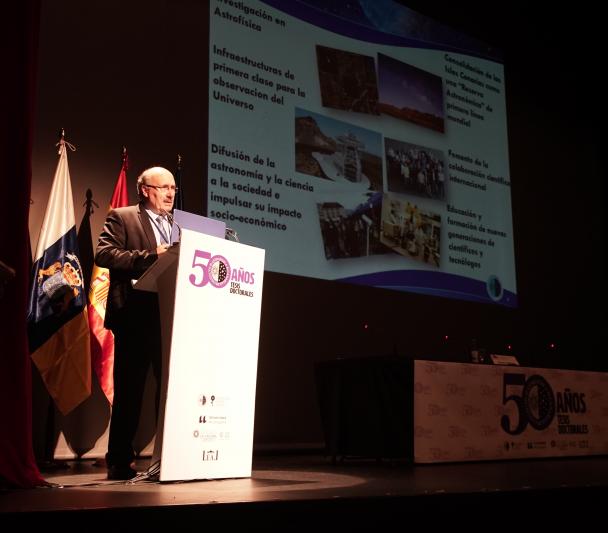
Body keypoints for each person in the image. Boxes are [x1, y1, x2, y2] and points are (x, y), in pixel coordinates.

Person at [94, 166, 176, 480]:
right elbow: (104, 254)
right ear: (144, 189)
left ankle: (169, 454)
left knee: (169, 390)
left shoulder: (178, 225)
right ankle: (118, 460)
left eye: (172, 188)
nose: (170, 193)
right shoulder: (124, 216)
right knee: (130, 391)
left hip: (168, 314)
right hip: (134, 315)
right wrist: (148, 255)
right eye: (163, 187)